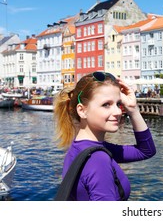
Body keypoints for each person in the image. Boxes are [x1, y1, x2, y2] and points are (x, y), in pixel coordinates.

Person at [53, 71, 156, 201]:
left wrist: (132, 109)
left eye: (118, 104)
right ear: (82, 110)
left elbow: (145, 151)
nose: (118, 111)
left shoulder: (81, 148)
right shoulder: (97, 159)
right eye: (106, 104)